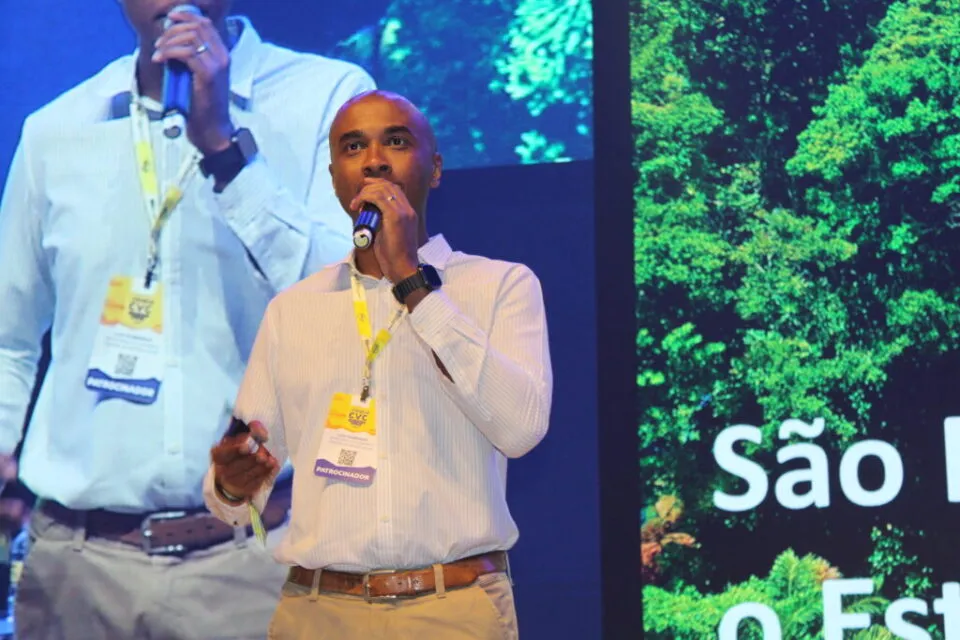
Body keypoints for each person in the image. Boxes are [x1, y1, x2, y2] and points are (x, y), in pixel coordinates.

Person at [0, 0, 375, 637]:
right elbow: (9, 342)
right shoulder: (54, 132)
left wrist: (225, 149)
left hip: (255, 562)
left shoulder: (333, 100)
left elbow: (357, 307)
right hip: (76, 570)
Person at [205, 89, 553, 639]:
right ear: (335, 178)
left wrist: (413, 284)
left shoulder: (500, 286)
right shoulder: (292, 311)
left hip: (453, 607)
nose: (373, 159)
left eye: (395, 140)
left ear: (434, 168)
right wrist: (230, 483)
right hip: (316, 611)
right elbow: (242, 491)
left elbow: (521, 428)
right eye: (353, 146)